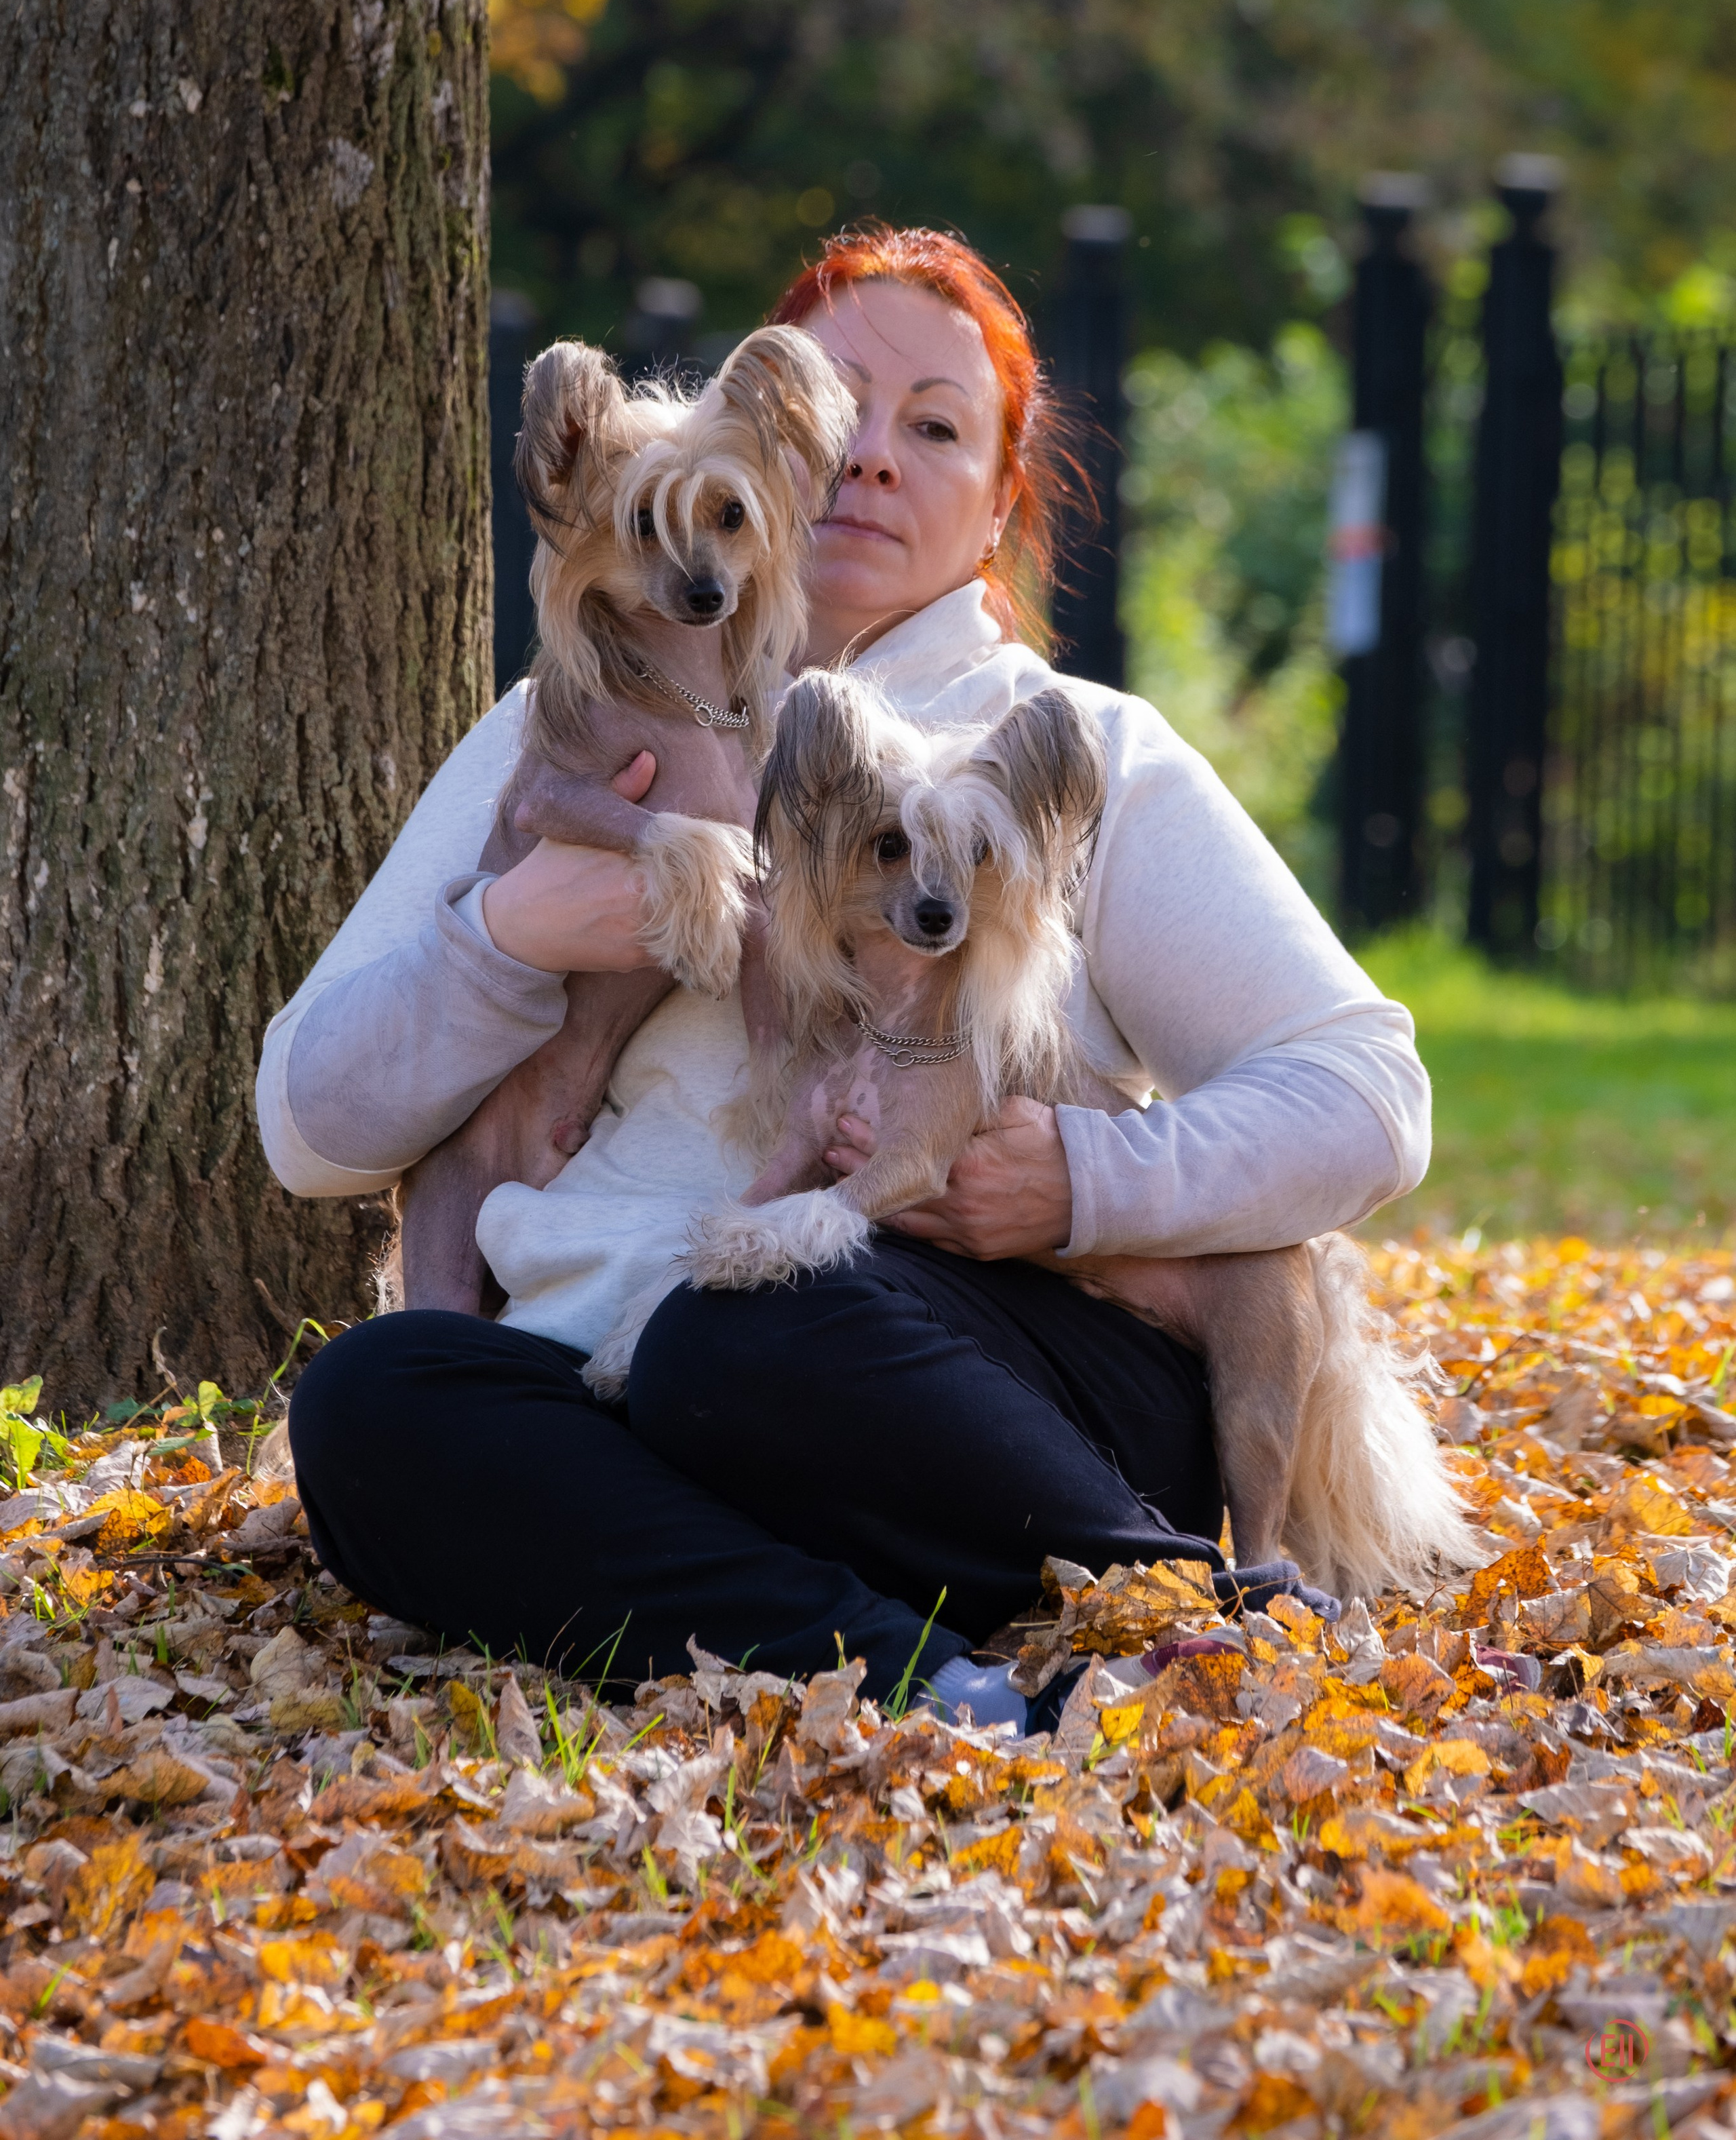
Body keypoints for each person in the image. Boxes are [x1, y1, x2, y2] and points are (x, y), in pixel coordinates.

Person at [261, 226, 1429, 1726]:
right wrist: (512, 940)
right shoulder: (573, 719)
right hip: (626, 1379)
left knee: (744, 1325)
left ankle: (1178, 1604)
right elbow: (308, 1127)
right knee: (373, 1405)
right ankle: (923, 1673)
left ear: (998, 499)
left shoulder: (1075, 749)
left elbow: (1366, 1093)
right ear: (766, 441)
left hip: (962, 1376)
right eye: (842, 407)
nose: (874, 457)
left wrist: (1080, 1179)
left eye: (935, 428)